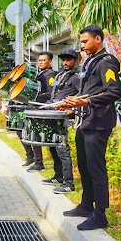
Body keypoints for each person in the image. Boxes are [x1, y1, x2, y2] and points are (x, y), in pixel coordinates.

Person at [60, 25, 120, 230]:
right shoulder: (90, 62)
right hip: (85, 121)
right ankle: (87, 205)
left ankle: (100, 213)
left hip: (99, 122)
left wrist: (86, 103)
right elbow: (89, 91)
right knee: (84, 165)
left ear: (98, 39)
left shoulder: (107, 62)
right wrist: (72, 102)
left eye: (85, 41)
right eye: (81, 42)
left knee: (96, 167)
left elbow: (113, 92)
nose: (82, 46)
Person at [43, 48, 81, 194]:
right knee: (54, 146)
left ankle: (68, 183)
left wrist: (72, 110)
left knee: (62, 148)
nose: (65, 62)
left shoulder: (76, 77)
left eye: (68, 60)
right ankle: (58, 176)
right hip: (53, 114)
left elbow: (81, 95)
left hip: (63, 117)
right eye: (63, 60)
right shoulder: (61, 75)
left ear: (75, 61)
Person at [22, 52, 58, 172]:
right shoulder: (40, 74)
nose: (40, 62)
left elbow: (50, 93)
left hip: (43, 109)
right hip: (35, 108)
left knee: (39, 137)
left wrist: (35, 98)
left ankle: (39, 163)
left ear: (50, 62)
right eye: (39, 60)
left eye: (43, 60)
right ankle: (37, 161)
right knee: (32, 135)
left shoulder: (51, 75)